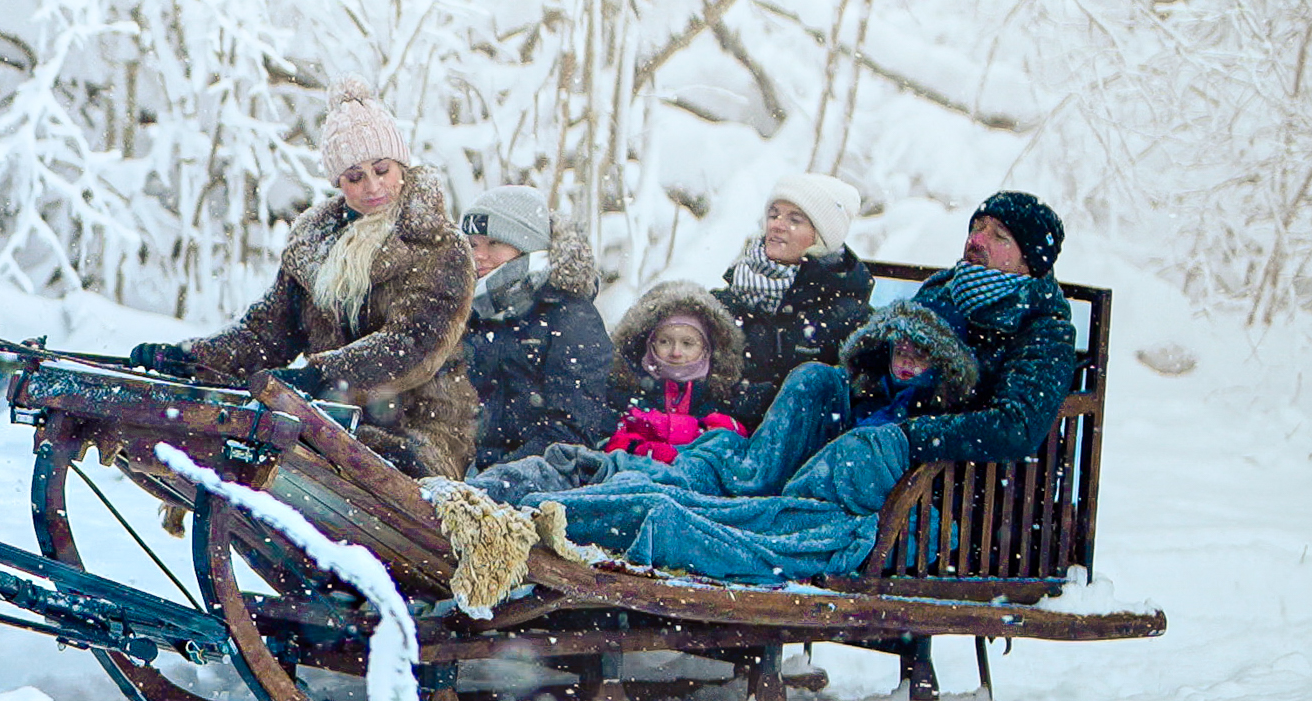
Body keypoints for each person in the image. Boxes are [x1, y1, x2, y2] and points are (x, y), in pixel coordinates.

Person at [441, 191, 1077, 595]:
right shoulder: (940, 296)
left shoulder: (1039, 325)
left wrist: (906, 434)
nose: (976, 240)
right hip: (849, 453)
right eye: (977, 227)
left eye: (997, 236)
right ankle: (582, 487)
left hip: (928, 498)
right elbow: (868, 377)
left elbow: (1016, 427)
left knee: (681, 505)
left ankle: (588, 518)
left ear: (1029, 260)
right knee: (813, 384)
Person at [130, 80, 478, 477]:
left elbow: (414, 345)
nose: (373, 186)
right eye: (354, 177)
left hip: (419, 433)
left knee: (292, 455)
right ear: (338, 183)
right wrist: (192, 359)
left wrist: (321, 378)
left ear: (401, 165)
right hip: (326, 421)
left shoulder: (439, 245)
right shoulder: (313, 246)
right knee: (239, 443)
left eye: (382, 170)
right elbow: (265, 336)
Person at [460, 187, 614, 470]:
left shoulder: (571, 317)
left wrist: (495, 476)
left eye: (494, 243)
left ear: (528, 245)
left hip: (539, 477)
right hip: (465, 469)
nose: (478, 256)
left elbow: (573, 431)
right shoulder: (467, 311)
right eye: (472, 244)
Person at [711, 173, 871, 428]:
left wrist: (759, 400)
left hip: (790, 449)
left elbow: (846, 404)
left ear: (821, 237)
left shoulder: (849, 317)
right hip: (711, 433)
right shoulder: (723, 301)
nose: (777, 225)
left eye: (795, 220)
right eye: (774, 215)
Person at [598, 283, 749, 463]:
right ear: (648, 343)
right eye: (664, 342)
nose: (676, 352)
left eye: (687, 343)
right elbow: (608, 440)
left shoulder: (726, 396)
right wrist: (637, 449)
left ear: (707, 349)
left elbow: (736, 448)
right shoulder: (623, 389)